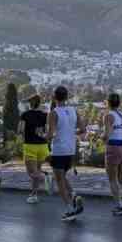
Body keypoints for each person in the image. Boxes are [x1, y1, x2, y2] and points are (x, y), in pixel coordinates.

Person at [47, 86, 84, 222]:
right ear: (66, 97)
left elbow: (50, 134)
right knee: (62, 176)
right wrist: (70, 134)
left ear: (54, 97)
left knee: (59, 181)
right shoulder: (74, 110)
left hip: (59, 150)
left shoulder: (53, 113)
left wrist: (42, 136)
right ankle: (74, 195)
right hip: (70, 150)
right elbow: (83, 129)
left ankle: (70, 209)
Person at [20, 94, 50, 205]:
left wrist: (22, 133)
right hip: (43, 146)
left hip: (30, 146)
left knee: (31, 172)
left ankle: (46, 179)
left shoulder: (25, 115)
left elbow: (21, 130)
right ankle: (34, 195)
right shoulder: (45, 115)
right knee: (36, 170)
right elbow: (46, 130)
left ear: (30, 104)